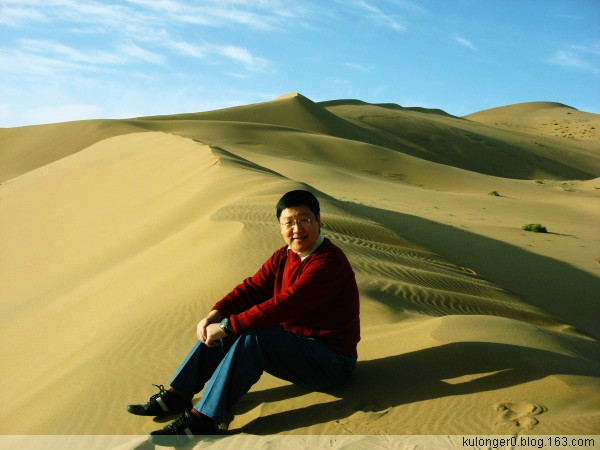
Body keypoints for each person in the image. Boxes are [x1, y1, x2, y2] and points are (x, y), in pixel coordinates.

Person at [127, 189, 360, 446]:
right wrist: (215, 315)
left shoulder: (328, 263)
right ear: (280, 227)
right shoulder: (284, 256)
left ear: (318, 219)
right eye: (289, 223)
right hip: (297, 348)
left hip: (333, 362)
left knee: (254, 336)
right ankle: (177, 395)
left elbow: (285, 305)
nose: (297, 229)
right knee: (239, 327)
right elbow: (252, 288)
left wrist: (227, 326)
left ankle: (203, 420)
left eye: (304, 220)